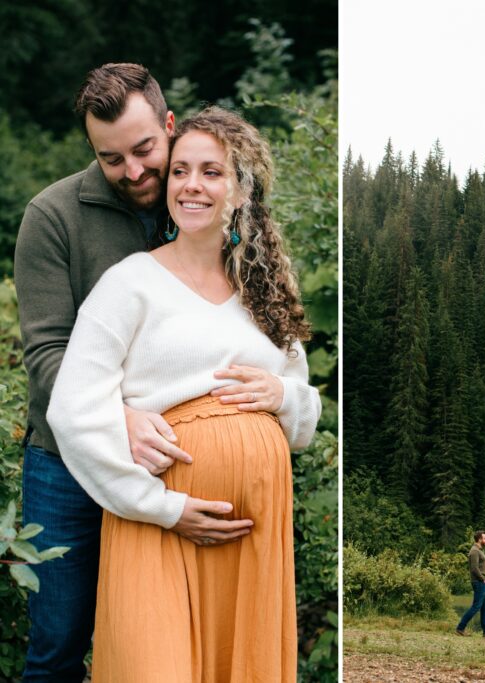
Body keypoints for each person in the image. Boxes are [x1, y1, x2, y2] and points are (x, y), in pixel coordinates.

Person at [46, 105, 321, 681]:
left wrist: (282, 394)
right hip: (158, 526)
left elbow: (304, 417)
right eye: (181, 171)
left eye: (212, 172)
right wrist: (164, 509)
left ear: (242, 189)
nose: (191, 185)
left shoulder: (263, 291)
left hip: (252, 539)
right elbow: (72, 408)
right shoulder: (130, 283)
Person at [13, 63, 266, 682]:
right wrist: (118, 417)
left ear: (169, 124)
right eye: (111, 158)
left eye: (146, 150)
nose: (134, 172)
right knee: (59, 642)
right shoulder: (51, 218)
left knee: (159, 645)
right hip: (65, 465)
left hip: (171, 463)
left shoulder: (198, 194)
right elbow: (46, 353)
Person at [455, 530, 485, 639]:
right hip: (479, 583)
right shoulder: (474, 551)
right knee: (476, 606)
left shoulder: (480, 551)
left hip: (484, 582)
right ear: (479, 539)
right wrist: (483, 579)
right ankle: (460, 628)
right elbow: (474, 568)